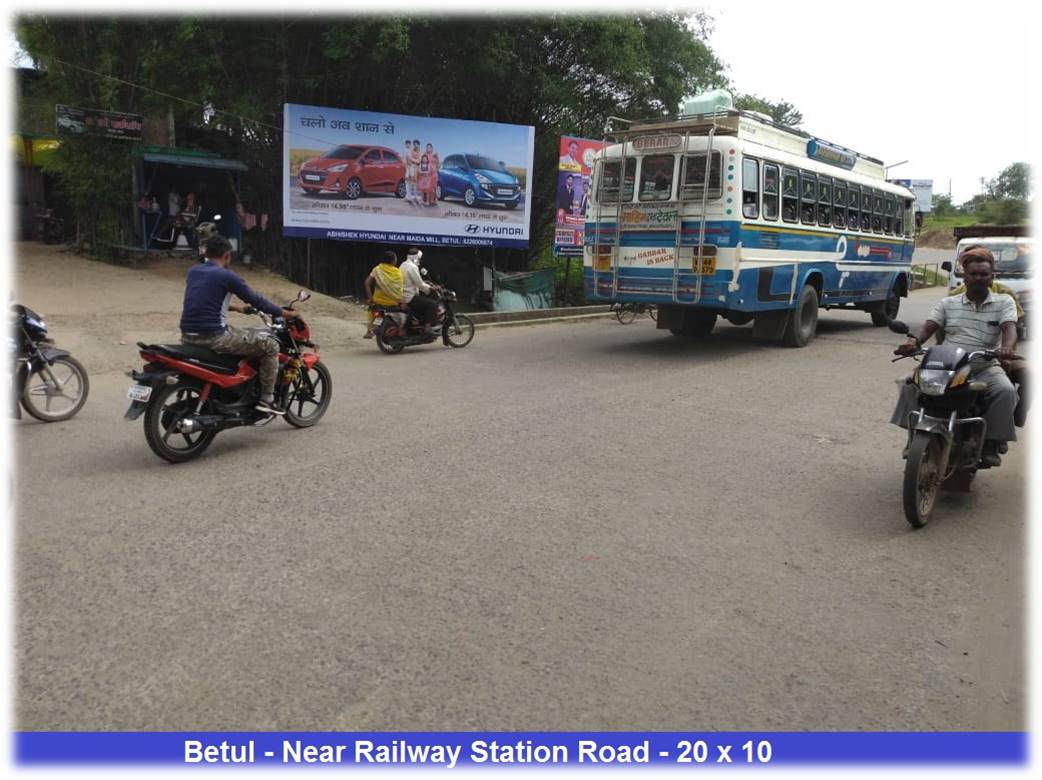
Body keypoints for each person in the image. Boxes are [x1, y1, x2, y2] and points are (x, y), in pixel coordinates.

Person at [890, 246, 1019, 467]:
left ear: (991, 277)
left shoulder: (1004, 301)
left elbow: (1010, 329)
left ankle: (990, 443)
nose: (978, 278)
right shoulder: (948, 303)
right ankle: (914, 437)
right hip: (948, 363)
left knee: (1006, 391)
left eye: (983, 274)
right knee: (910, 383)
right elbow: (928, 327)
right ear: (964, 275)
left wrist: (1007, 348)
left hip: (983, 364)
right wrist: (912, 343)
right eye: (973, 274)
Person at [179, 235, 301, 415]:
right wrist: (287, 314)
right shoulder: (227, 276)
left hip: (187, 336)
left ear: (206, 253)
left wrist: (237, 308)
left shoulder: (193, 272)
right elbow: (257, 301)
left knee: (243, 334)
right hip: (214, 338)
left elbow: (204, 300)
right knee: (270, 345)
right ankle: (267, 399)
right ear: (227, 255)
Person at [363, 250, 405, 339]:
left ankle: (369, 331)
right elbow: (399, 289)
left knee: (372, 311)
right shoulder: (397, 272)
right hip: (393, 302)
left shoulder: (377, 269)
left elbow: (367, 283)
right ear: (393, 261)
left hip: (378, 301)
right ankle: (401, 329)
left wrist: (370, 299)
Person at [400, 247, 438, 335]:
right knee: (432, 304)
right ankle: (428, 328)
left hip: (403, 295)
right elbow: (420, 284)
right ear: (416, 258)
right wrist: (430, 289)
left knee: (423, 303)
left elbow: (411, 281)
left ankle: (420, 325)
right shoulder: (412, 267)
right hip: (410, 297)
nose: (420, 260)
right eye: (419, 258)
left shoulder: (403, 264)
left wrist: (425, 283)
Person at [409, 139, 423, 206]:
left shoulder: (420, 152)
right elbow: (409, 159)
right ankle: (412, 197)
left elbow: (419, 161)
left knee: (418, 183)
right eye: (414, 144)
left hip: (418, 168)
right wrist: (414, 160)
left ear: (418, 145)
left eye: (416, 144)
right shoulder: (412, 151)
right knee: (412, 182)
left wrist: (414, 160)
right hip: (412, 167)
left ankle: (418, 198)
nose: (415, 145)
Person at [403, 140, 417, 207]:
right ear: (405, 144)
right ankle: (408, 196)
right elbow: (405, 160)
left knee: (411, 182)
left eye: (409, 144)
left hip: (411, 167)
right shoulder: (405, 151)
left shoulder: (411, 151)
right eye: (407, 144)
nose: (408, 145)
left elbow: (411, 159)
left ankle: (411, 196)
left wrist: (410, 163)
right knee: (407, 182)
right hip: (407, 168)